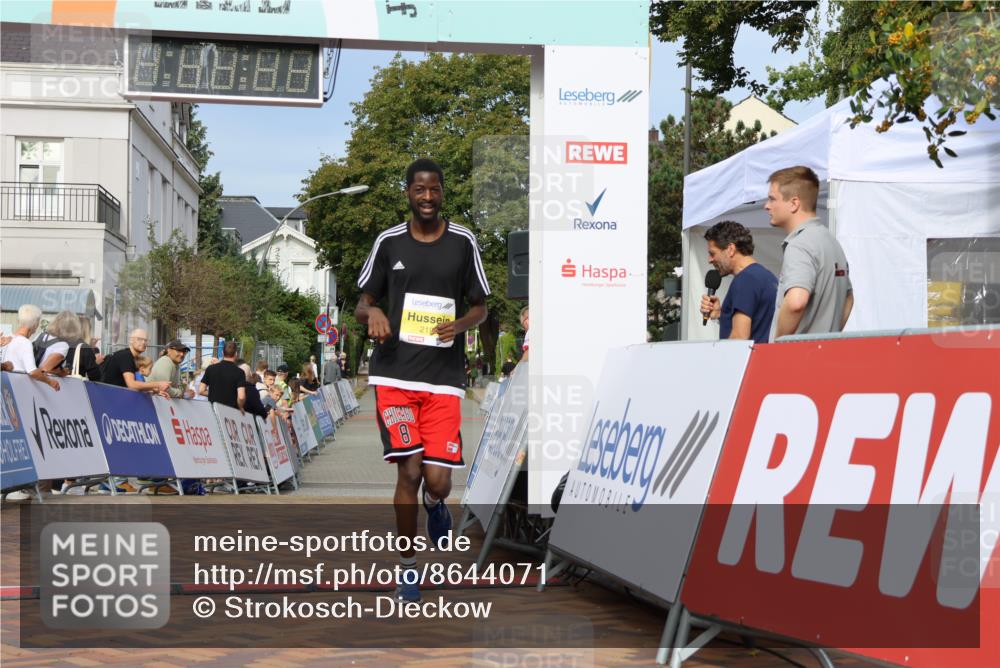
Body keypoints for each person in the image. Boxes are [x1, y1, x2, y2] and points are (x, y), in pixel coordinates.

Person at [356, 157, 489, 602]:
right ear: (408, 192)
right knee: (408, 471)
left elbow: (481, 306)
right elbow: (362, 302)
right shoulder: (389, 242)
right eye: (419, 189)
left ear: (442, 192)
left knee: (437, 481)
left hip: (444, 379)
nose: (427, 197)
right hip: (394, 373)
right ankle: (407, 568)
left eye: (434, 189)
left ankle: (437, 506)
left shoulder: (463, 242)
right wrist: (373, 311)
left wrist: (462, 324)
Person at [765, 166, 854, 340]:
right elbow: (849, 299)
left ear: (794, 203)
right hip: (822, 356)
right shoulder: (830, 241)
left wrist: (778, 345)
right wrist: (828, 337)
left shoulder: (800, 245)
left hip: (796, 359)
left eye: (772, 199)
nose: (766, 206)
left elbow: (796, 302)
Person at [699, 221, 778, 344]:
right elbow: (758, 325)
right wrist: (721, 314)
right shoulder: (768, 277)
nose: (710, 260)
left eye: (712, 253)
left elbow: (739, 338)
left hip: (749, 362)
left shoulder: (745, 280)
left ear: (730, 249)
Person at [101, 329, 171, 396]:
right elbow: (132, 385)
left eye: (146, 340)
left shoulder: (130, 357)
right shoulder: (126, 356)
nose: (143, 342)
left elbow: (128, 386)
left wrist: (153, 391)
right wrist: (158, 384)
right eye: (139, 339)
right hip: (107, 398)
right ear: (131, 340)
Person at [199, 341, 246, 411]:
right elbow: (241, 397)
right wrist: (241, 407)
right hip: (231, 411)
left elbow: (201, 390)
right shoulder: (240, 372)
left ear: (222, 353)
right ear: (236, 354)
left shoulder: (211, 368)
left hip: (213, 410)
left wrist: (215, 394)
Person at [35, 309, 83, 376]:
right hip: (45, 381)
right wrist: (62, 372)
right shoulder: (62, 345)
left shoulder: (42, 335)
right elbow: (45, 369)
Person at [64, 316, 104, 381]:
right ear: (87, 330)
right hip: (77, 387)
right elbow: (95, 377)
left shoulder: (64, 343)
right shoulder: (85, 348)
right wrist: (96, 363)